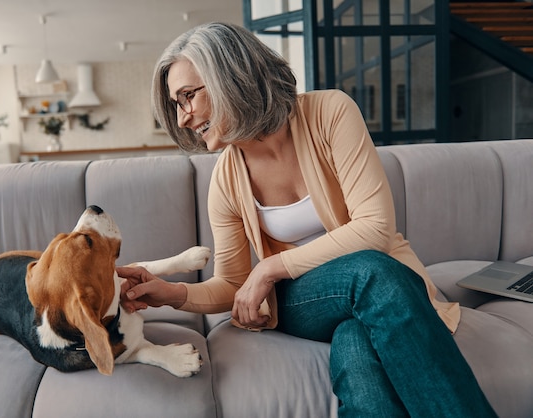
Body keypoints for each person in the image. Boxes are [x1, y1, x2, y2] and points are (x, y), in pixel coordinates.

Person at [116, 22, 497, 417]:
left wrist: (270, 268)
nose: (183, 118)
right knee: (373, 273)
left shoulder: (330, 112)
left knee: (357, 349)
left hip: (375, 283)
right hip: (302, 300)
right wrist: (174, 294)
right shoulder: (226, 182)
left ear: (227, 74)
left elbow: (376, 227)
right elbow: (232, 284)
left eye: (187, 96)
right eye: (177, 104)